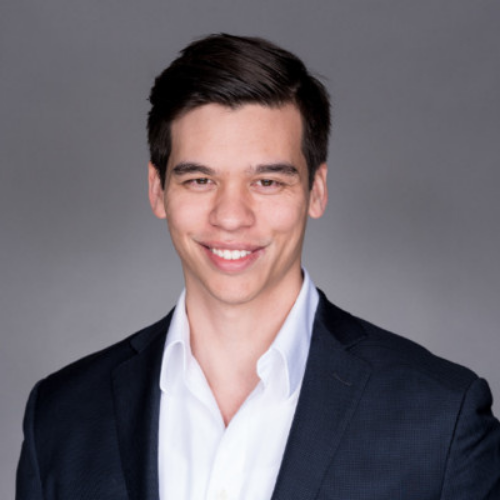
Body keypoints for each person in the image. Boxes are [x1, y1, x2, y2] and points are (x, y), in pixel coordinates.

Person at [16, 34, 500, 500]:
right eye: (201, 179)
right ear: (157, 190)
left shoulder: (442, 419)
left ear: (316, 191)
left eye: (267, 182)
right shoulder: (61, 416)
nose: (231, 216)